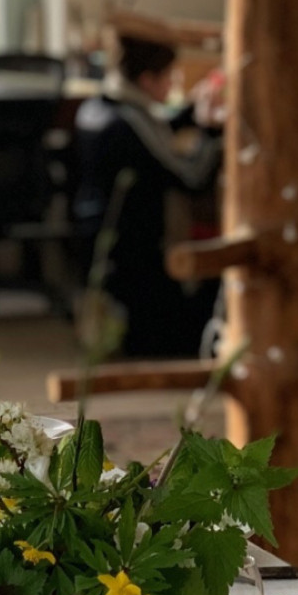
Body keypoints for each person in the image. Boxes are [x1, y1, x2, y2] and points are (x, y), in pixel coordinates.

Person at [72, 35, 225, 360]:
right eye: (170, 77)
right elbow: (192, 178)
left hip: (99, 244)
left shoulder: (100, 106)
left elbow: (157, 132)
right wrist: (214, 132)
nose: (174, 85)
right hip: (137, 256)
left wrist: (190, 114)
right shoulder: (130, 123)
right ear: (147, 80)